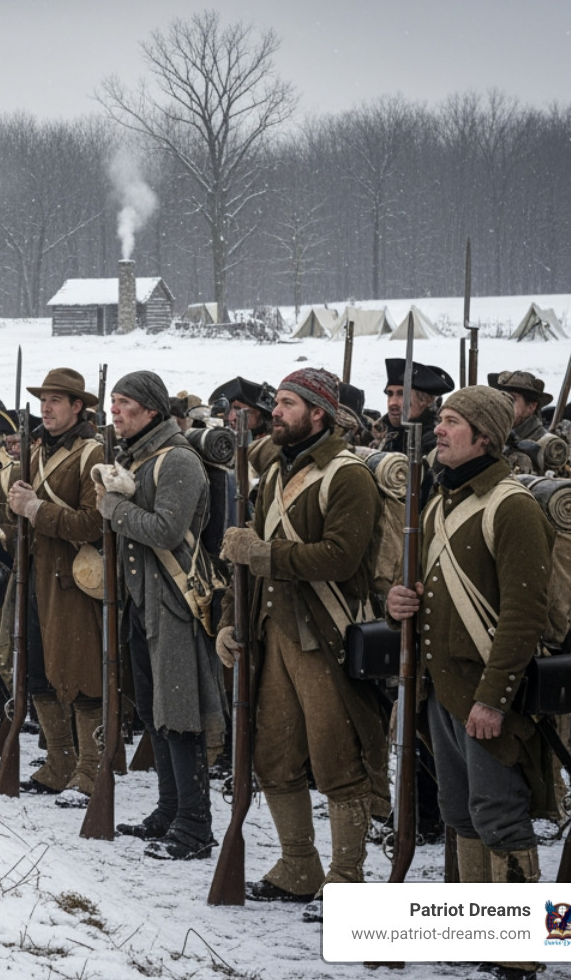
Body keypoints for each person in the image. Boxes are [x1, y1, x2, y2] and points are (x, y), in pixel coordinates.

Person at [386, 386, 553, 980]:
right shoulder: (440, 503)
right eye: (442, 420)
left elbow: (522, 616)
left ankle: (520, 950)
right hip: (442, 690)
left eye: (452, 422)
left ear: (484, 436)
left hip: (485, 695)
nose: (438, 429)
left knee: (500, 816)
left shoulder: (511, 507)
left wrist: (493, 698)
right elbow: (432, 592)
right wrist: (398, 602)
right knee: (461, 814)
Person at [219, 368, 388, 912]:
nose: (276, 412)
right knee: (273, 757)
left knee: (338, 762)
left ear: (319, 413)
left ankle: (345, 877)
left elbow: (341, 557)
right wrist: (230, 620)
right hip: (274, 633)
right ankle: (298, 864)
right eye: (278, 402)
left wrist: (265, 555)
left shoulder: (348, 475)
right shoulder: (273, 472)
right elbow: (244, 557)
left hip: (326, 634)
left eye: (289, 403)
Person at [92, 371, 224, 855]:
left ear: (151, 410)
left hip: (176, 600)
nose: (115, 412)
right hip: (144, 600)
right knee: (154, 709)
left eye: (124, 403)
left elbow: (168, 531)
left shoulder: (178, 461)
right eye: (113, 403)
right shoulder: (140, 458)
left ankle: (194, 824)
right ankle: (170, 809)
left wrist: (114, 509)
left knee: (179, 711)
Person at [5, 369, 107, 804]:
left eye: (55, 401)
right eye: (43, 400)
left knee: (83, 677)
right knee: (39, 672)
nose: (45, 408)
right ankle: (60, 760)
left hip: (74, 582)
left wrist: (35, 508)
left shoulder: (94, 455)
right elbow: (20, 516)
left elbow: (94, 523)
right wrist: (17, 505)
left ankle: (90, 768)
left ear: (77, 407)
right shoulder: (36, 451)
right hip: (36, 575)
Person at [378, 358, 454, 456]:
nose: (392, 402)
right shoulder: (383, 433)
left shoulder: (437, 441)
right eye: (390, 394)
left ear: (424, 400)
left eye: (402, 394)